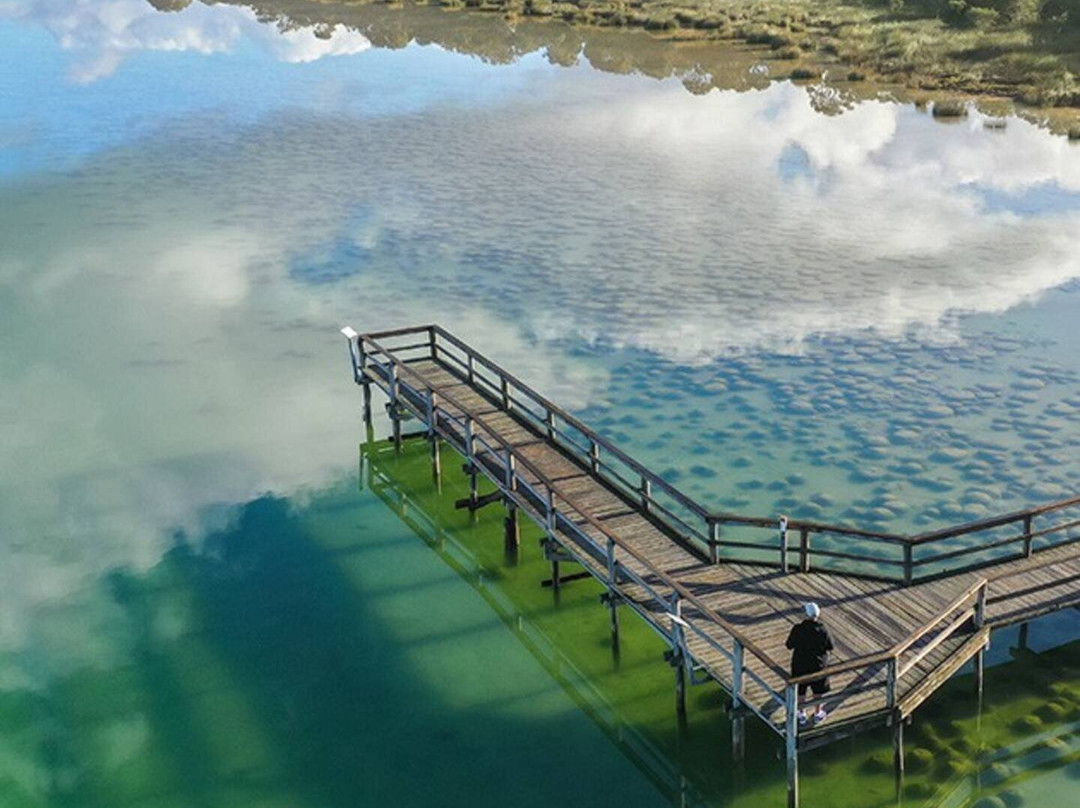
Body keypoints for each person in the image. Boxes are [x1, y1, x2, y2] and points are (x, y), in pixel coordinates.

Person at [785, 602, 833, 726]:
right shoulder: (822, 629)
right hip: (818, 664)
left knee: (801, 690)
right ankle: (818, 713)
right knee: (818, 690)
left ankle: (801, 713)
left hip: (800, 664)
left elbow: (789, 645)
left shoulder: (798, 629)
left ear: (805, 614)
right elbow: (830, 646)